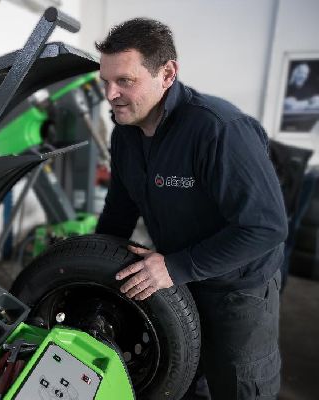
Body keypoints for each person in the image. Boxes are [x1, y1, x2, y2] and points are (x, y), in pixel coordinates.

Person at [94, 18, 287, 399]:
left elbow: (266, 227)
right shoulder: (125, 133)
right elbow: (119, 211)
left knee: (239, 388)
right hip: (179, 286)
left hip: (236, 293)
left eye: (125, 81)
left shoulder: (219, 129)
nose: (111, 94)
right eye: (106, 81)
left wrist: (174, 267)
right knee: (183, 383)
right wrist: (93, 270)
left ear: (167, 74)